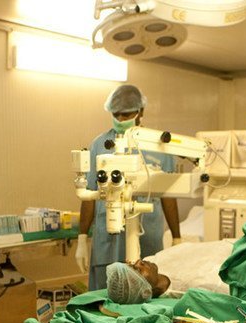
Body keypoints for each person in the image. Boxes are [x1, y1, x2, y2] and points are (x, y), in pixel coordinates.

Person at [75, 85, 182, 290]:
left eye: (127, 114)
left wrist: (177, 237)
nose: (121, 120)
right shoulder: (100, 144)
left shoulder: (159, 146)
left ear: (141, 111)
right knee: (104, 291)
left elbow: (168, 195)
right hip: (108, 236)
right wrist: (81, 239)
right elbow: (89, 194)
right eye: (116, 115)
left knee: (145, 285)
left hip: (147, 233)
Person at [106, 260, 171, 304]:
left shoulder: (157, 258)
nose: (139, 261)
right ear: (145, 292)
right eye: (137, 270)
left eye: (132, 264)